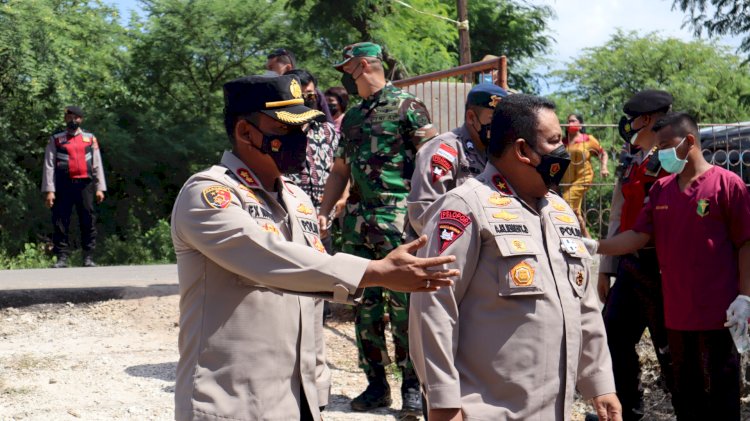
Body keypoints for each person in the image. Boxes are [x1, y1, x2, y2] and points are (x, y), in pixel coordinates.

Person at [170, 74, 459, 421]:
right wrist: (374, 272)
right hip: (232, 402)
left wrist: (317, 386)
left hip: (298, 400)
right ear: (246, 133)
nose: (301, 140)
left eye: (303, 129)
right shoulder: (208, 194)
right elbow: (271, 258)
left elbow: (309, 295)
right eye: (287, 129)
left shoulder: (296, 198)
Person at [409, 94, 621, 421]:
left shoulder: (561, 212)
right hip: (488, 411)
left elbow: (585, 305)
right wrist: (444, 402)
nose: (563, 151)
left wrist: (600, 382)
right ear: (523, 151)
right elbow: (433, 307)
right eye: (554, 141)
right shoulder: (465, 207)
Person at [592, 112, 750, 421]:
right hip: (676, 316)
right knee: (686, 397)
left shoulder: (727, 185)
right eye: (657, 145)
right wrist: (595, 247)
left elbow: (746, 242)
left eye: (665, 144)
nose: (659, 152)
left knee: (722, 396)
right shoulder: (661, 190)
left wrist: (745, 297)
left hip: (721, 316)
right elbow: (637, 236)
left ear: (689, 141)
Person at [317, 42, 438, 416]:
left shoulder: (408, 107)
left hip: (399, 221)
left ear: (366, 64)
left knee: (404, 307)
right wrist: (324, 210)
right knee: (364, 306)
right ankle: (376, 385)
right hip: (357, 223)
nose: (346, 79)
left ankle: (412, 387)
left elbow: (431, 161)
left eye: (349, 70)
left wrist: (433, 215)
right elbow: (340, 170)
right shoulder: (352, 117)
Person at [597, 89, 676, 421]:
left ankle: (692, 410)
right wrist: (605, 268)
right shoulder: (631, 157)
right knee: (613, 336)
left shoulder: (672, 156)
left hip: (663, 269)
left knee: (671, 350)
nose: (625, 125)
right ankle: (628, 410)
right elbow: (617, 214)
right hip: (630, 266)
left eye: (630, 119)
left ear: (646, 120)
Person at [284, 68, 340, 407]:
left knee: (318, 295)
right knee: (289, 291)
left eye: (309, 90)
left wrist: (334, 207)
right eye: (300, 91)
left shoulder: (327, 130)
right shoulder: (281, 129)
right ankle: (289, 369)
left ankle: (315, 377)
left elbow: (338, 170)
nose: (307, 95)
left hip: (322, 217)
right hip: (287, 215)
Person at [408, 83, 507, 236]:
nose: (498, 127)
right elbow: (423, 213)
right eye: (493, 120)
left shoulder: (496, 152)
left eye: (502, 122)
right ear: (471, 117)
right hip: (449, 248)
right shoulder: (443, 150)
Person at [41, 105, 106, 268]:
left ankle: (88, 257)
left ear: (81, 119)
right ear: (65, 119)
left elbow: (96, 163)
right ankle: (62, 257)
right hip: (63, 185)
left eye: (76, 117)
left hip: (85, 184)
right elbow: (49, 165)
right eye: (70, 117)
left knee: (88, 219)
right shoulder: (56, 139)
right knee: (61, 220)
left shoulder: (90, 139)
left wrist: (99, 187)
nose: (73, 120)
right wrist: (50, 190)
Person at [560, 113, 609, 238]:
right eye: (568, 121)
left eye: (573, 121)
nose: (570, 124)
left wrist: (604, 168)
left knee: (565, 202)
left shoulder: (588, 139)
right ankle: (589, 241)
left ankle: (566, 236)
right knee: (575, 211)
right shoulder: (563, 142)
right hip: (566, 180)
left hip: (584, 177)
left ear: (580, 124)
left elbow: (603, 154)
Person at [266, 47, 333, 123]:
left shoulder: (313, 93)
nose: (268, 72)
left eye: (271, 68)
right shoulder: (269, 92)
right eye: (267, 68)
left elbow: (328, 121)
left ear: (288, 68)